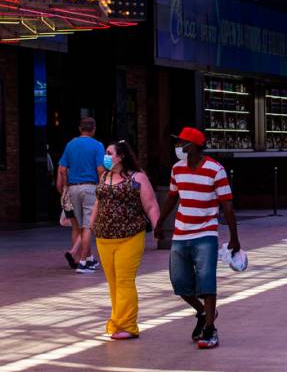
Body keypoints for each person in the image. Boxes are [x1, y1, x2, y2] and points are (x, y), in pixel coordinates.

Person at [155, 127, 241, 350]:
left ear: (191, 146)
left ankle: (210, 329)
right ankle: (202, 312)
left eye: (180, 143)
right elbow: (172, 198)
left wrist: (234, 237)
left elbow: (227, 206)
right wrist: (159, 222)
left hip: (205, 233)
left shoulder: (215, 170)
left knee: (206, 282)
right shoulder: (177, 169)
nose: (177, 147)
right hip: (181, 233)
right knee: (180, 283)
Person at [90, 141, 160, 340]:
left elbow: (151, 204)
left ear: (120, 157)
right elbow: (98, 203)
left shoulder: (137, 178)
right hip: (104, 238)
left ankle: (128, 326)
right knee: (113, 283)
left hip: (130, 236)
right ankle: (117, 322)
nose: (106, 156)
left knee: (124, 281)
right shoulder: (105, 176)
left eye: (109, 153)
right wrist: (91, 226)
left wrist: (157, 227)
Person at [58, 117, 106, 273]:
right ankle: (84, 263)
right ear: (94, 129)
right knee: (88, 226)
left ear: (80, 128)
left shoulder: (70, 145)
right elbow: (100, 169)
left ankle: (87, 258)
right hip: (90, 188)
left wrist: (66, 185)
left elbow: (63, 169)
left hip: (73, 188)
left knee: (79, 227)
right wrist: (103, 187)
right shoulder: (98, 145)